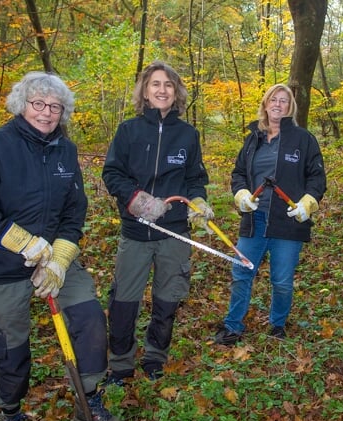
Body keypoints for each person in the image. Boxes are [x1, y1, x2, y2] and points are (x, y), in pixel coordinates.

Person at [0, 71, 128, 421]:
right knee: (11, 343)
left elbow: (74, 210)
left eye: (55, 107)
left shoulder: (65, 149)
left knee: (90, 319)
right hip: (1, 264)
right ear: (22, 105)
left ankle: (90, 400)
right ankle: (10, 408)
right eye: (38, 104)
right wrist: (22, 242)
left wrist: (61, 258)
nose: (47, 113)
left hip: (53, 258)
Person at [102, 61, 211, 382]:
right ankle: (121, 363)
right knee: (124, 302)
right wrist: (137, 199)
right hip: (136, 232)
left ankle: (155, 358)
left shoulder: (188, 134)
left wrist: (199, 201)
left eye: (168, 85)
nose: (162, 90)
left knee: (167, 299)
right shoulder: (128, 131)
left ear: (176, 92)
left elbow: (195, 179)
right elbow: (112, 174)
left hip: (174, 234)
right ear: (145, 92)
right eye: (155, 84)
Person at [213, 83, 327, 346]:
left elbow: (317, 178)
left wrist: (307, 204)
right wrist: (241, 194)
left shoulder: (303, 139)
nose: (278, 104)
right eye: (273, 99)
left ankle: (277, 326)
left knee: (282, 280)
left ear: (290, 108)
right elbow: (238, 172)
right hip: (254, 221)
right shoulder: (253, 138)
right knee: (241, 273)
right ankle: (233, 326)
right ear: (265, 104)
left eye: (284, 101)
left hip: (287, 222)